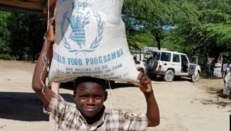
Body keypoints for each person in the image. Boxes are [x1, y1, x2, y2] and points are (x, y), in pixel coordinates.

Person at [32, 17, 160, 130]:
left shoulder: (118, 120)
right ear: (74, 96)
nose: (91, 102)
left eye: (97, 97)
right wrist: (48, 42)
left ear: (105, 96)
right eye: (84, 96)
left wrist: (149, 93)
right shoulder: (65, 113)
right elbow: (38, 86)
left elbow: (153, 121)